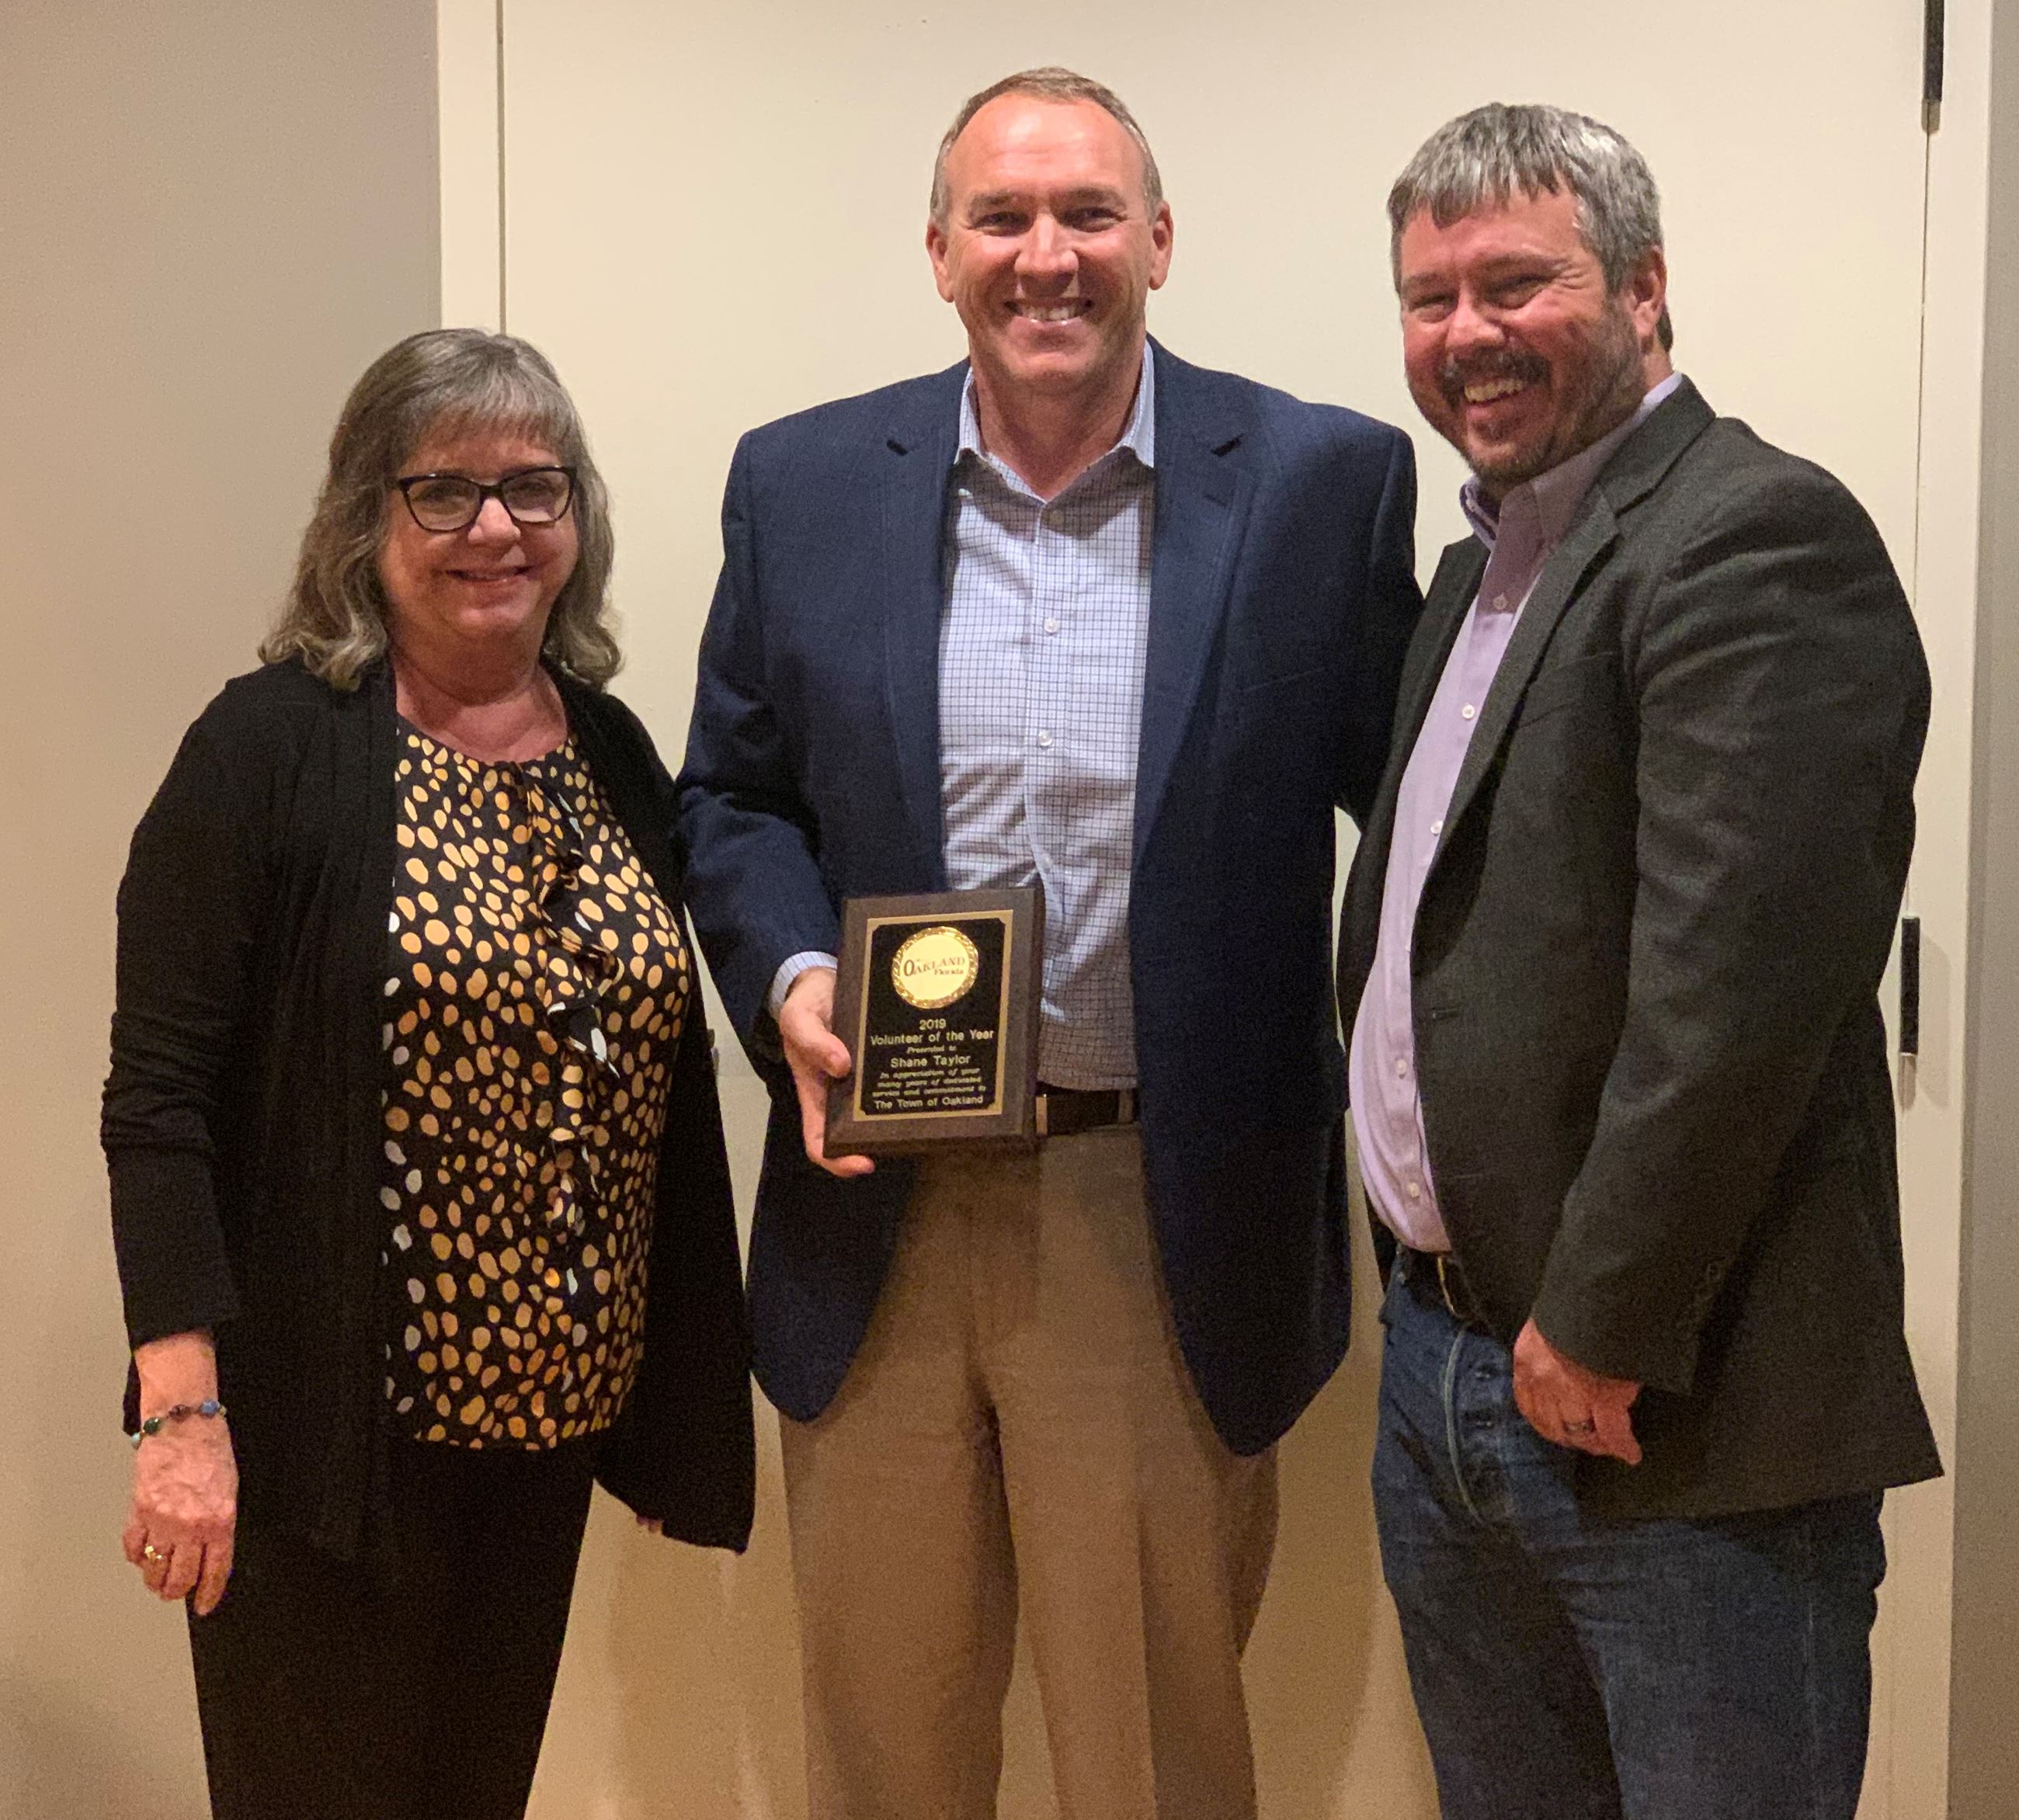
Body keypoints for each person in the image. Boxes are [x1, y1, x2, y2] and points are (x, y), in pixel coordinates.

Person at [676, 64, 1420, 1820]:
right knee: (887, 1753)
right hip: (878, 1208)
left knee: (1151, 1759)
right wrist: (791, 975)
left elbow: (1415, 817)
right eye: (1001, 216)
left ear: (1158, 239)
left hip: (1150, 1208)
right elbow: (734, 795)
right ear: (938, 251)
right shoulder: (800, 480)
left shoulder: (1319, 481)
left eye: (1089, 212)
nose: (1046, 255)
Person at [1339, 102, 1942, 1819]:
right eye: (1431, 298)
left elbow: (1734, 998)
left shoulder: (1751, 536)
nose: (1467, 333)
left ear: (1645, 287)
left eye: (1515, 284)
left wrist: (1595, 1323)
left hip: (1663, 1409)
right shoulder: (1478, 576)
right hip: (1447, 1377)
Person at [102, 328, 755, 1820]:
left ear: (578, 516)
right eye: (444, 491)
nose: (495, 528)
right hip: (324, 1446)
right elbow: (158, 1104)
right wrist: (181, 1418)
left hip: (544, 1439)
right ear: (365, 519)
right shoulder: (266, 748)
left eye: (534, 487)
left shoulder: (611, 752)